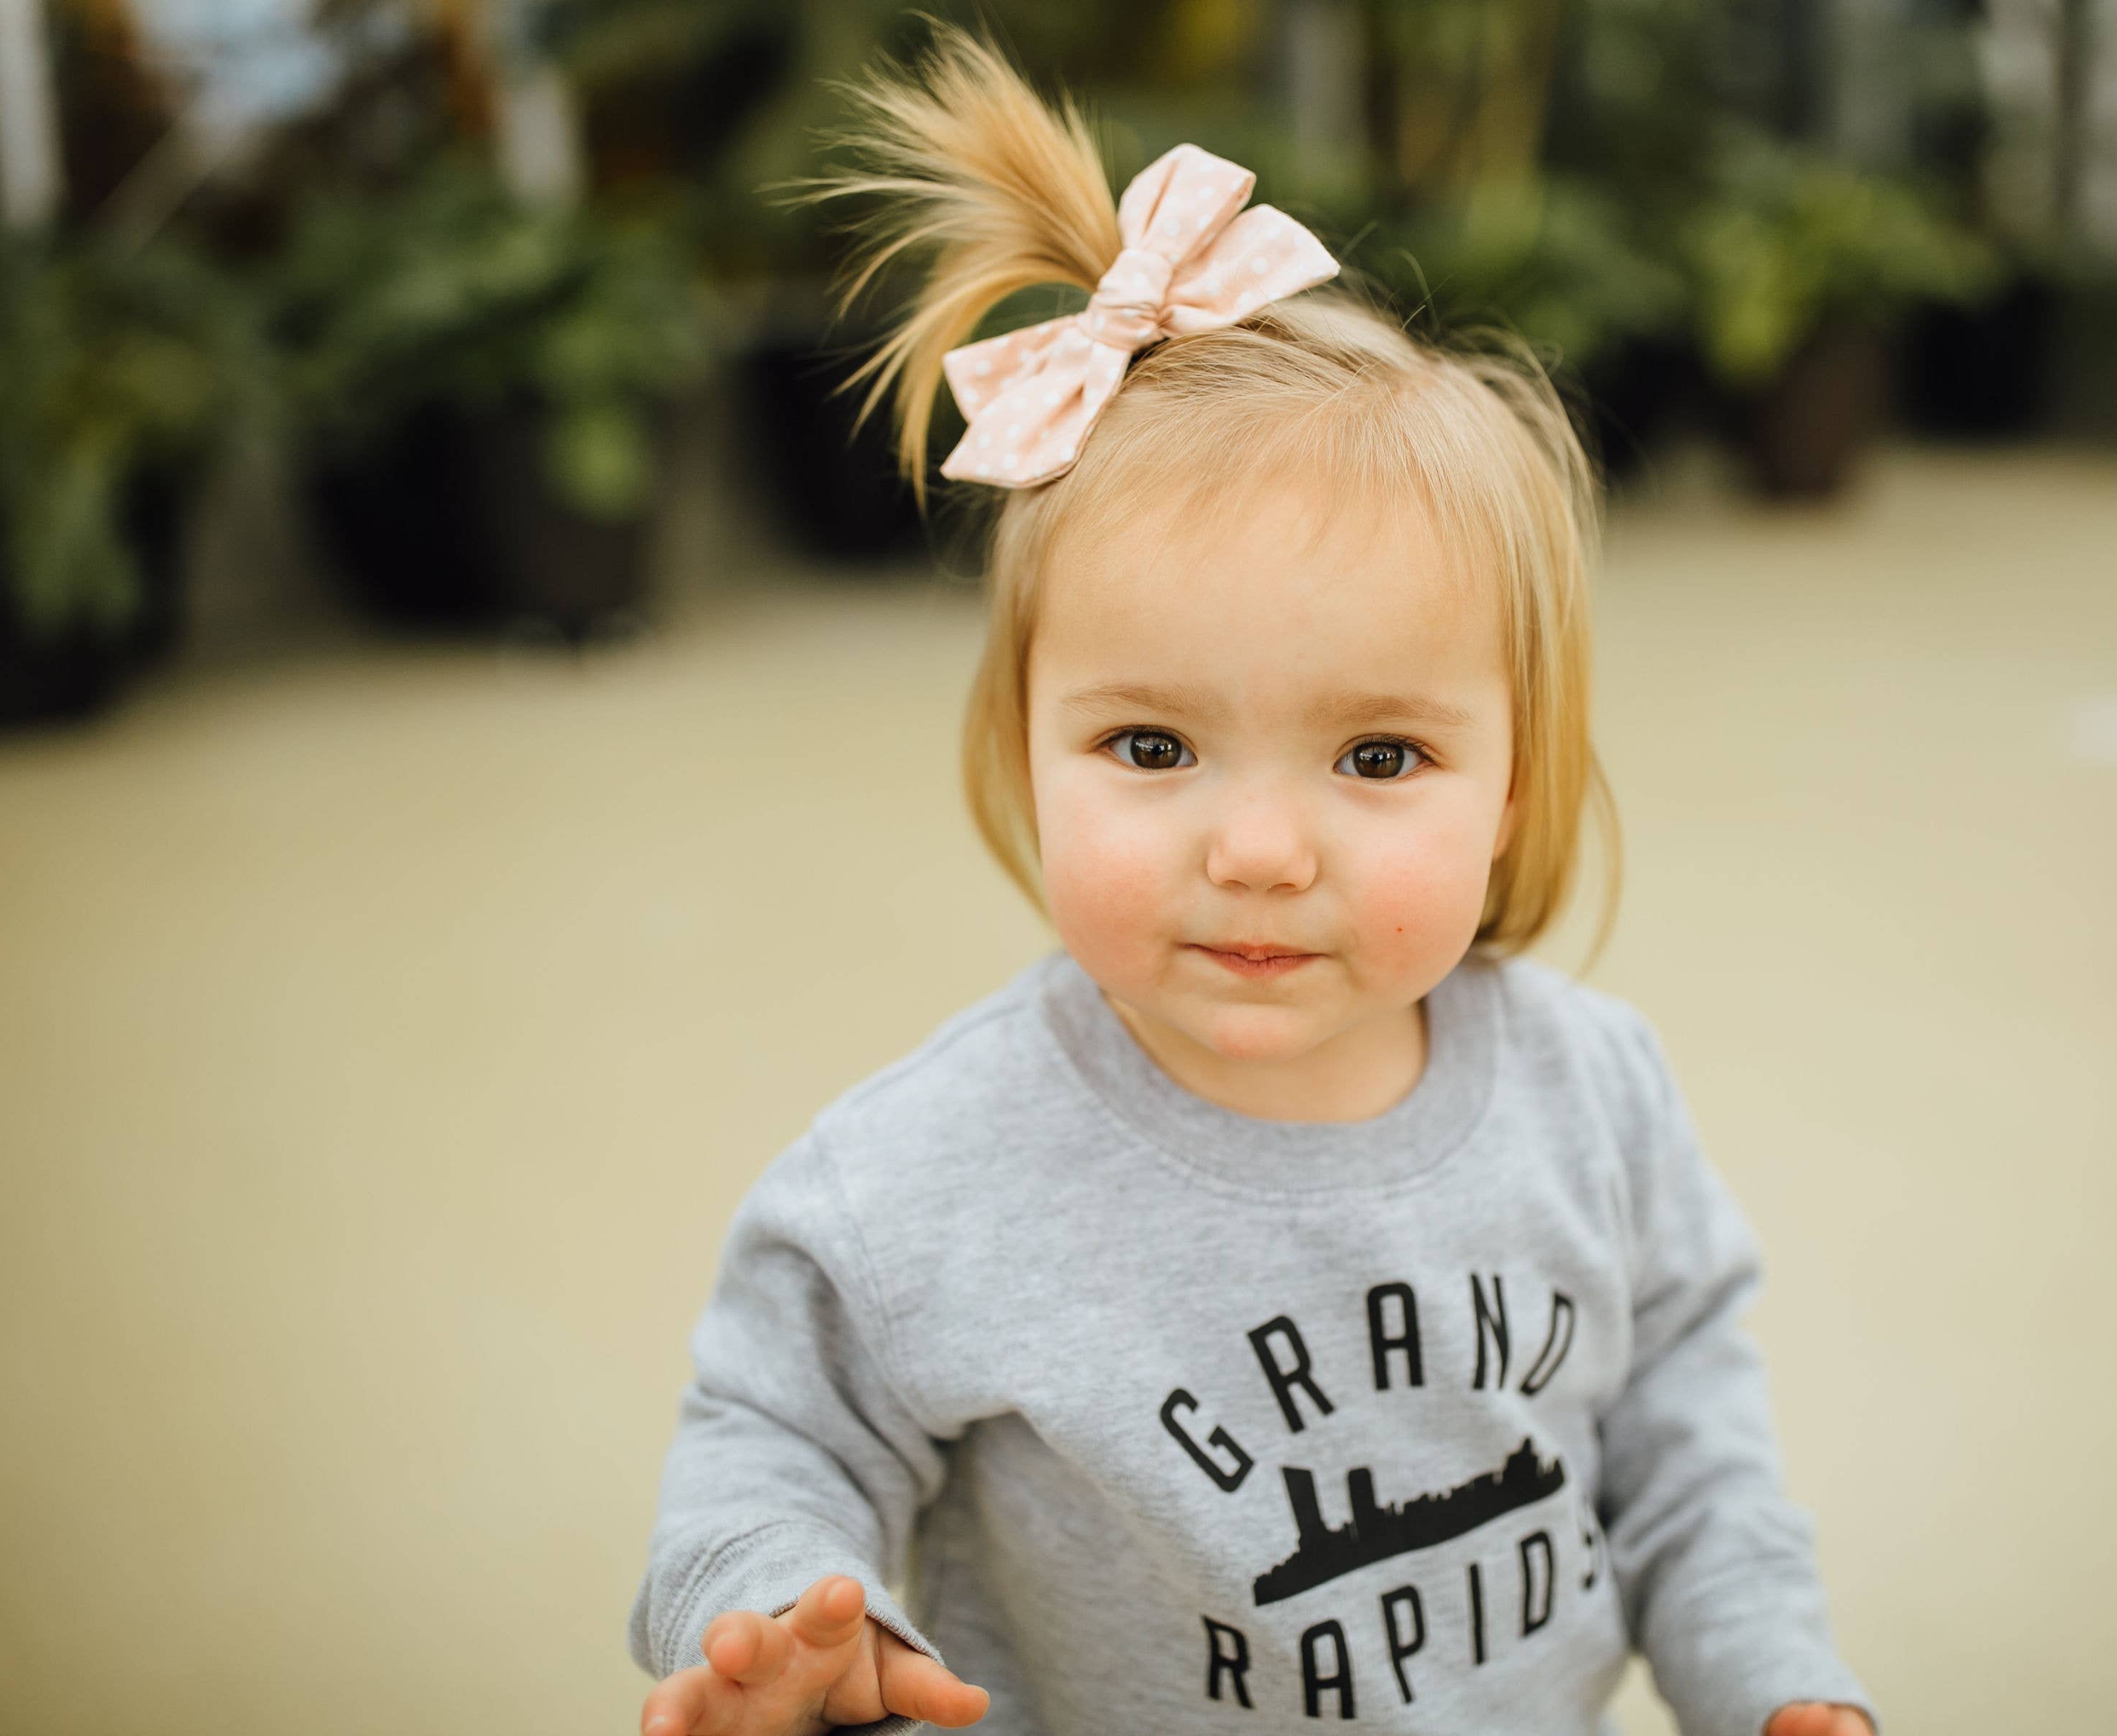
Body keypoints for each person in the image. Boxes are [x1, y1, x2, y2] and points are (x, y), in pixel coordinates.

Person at [629, 24, 1875, 1736]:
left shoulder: (1600, 1102)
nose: (1261, 851)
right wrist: (783, 1613)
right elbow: (770, 1442)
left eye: (1377, 758)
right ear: (1023, 749)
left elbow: (1691, 1471)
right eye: (1152, 749)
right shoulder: (923, 1179)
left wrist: (1777, 1690)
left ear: (1514, 785)